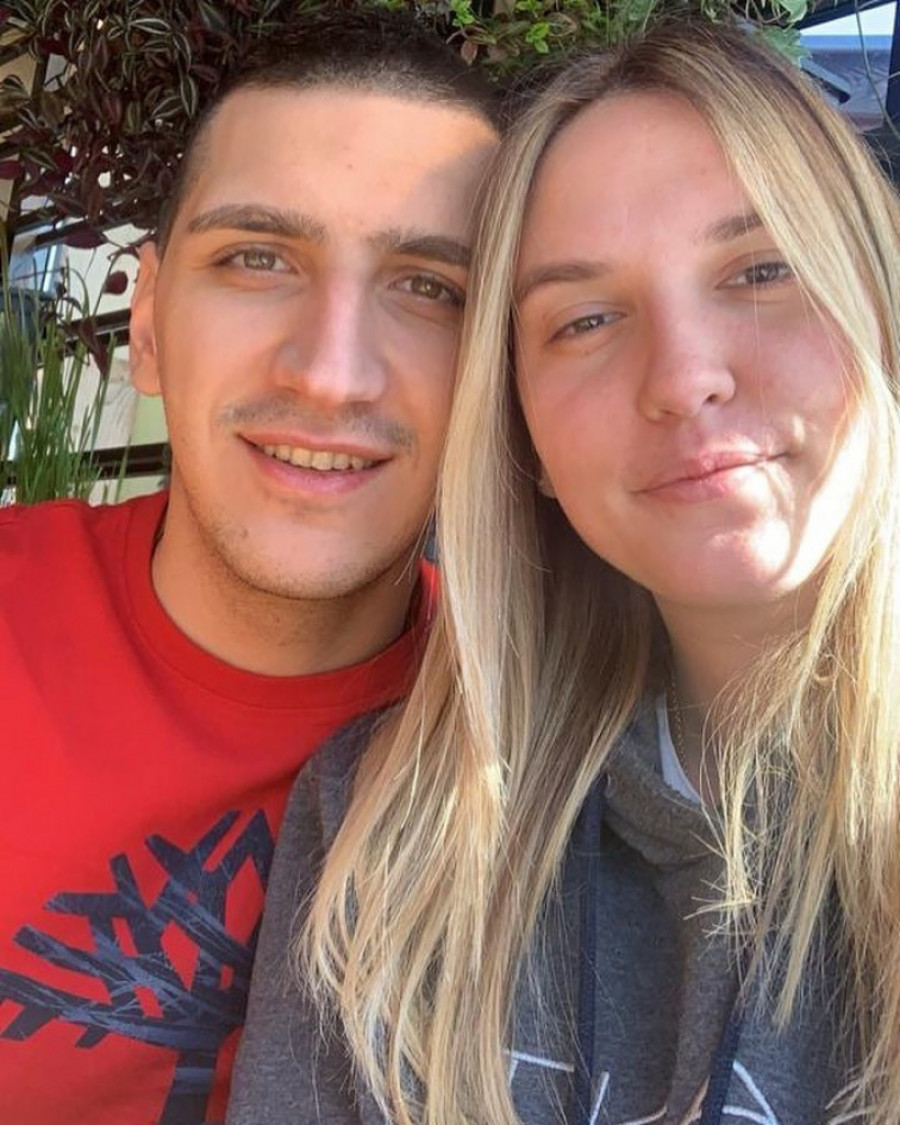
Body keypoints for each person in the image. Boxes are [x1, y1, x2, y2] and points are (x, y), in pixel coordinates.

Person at [227, 18, 900, 1125]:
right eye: (584, 319)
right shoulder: (385, 835)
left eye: (762, 268)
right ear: (523, 433)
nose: (682, 377)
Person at [0, 12, 499, 1124]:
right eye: (256, 259)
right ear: (148, 324)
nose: (331, 374)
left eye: (431, 287)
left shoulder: (548, 750)